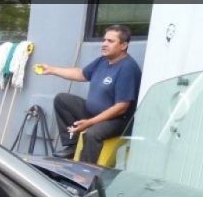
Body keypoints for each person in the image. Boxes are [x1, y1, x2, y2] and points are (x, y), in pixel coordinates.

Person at [36, 24, 142, 163]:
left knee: (92, 134)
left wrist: (90, 123)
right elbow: (81, 74)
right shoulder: (103, 60)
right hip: (94, 114)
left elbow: (121, 107)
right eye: (104, 40)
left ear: (123, 45)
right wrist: (52, 70)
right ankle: (72, 146)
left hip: (117, 121)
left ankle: (85, 174)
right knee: (62, 100)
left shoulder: (127, 67)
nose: (104, 44)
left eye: (110, 41)